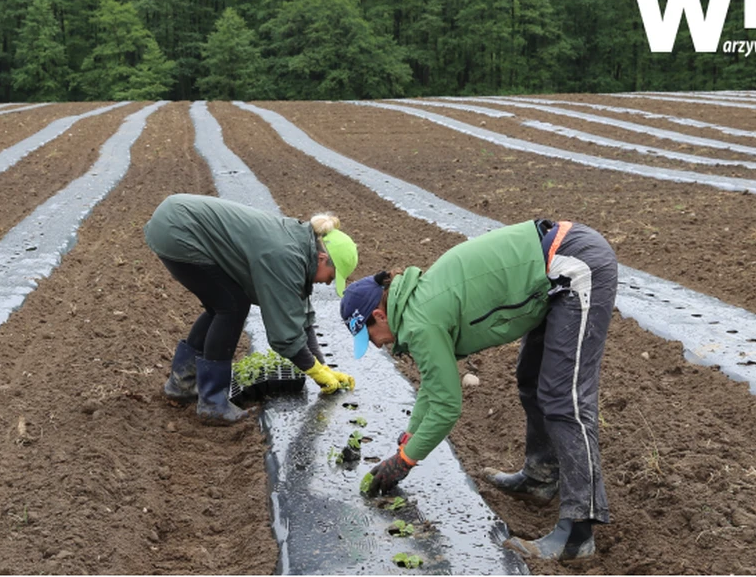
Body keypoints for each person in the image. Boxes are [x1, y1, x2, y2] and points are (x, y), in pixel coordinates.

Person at [340, 219, 617, 561]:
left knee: (564, 398)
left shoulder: (420, 321)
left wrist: (404, 461)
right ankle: (540, 476)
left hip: (572, 262)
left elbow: (446, 405)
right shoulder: (415, 303)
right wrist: (410, 435)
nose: (378, 346)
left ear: (380, 315)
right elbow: (433, 385)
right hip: (551, 267)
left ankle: (578, 532)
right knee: (531, 380)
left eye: (371, 337)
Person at [144, 193, 359, 425]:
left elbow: (302, 318)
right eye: (332, 277)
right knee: (231, 307)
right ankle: (213, 403)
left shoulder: (301, 247)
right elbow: (284, 336)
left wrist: (323, 365)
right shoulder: (285, 256)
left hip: (175, 219)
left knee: (223, 305)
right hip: (179, 230)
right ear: (322, 258)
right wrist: (315, 371)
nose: (327, 283)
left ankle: (181, 384)